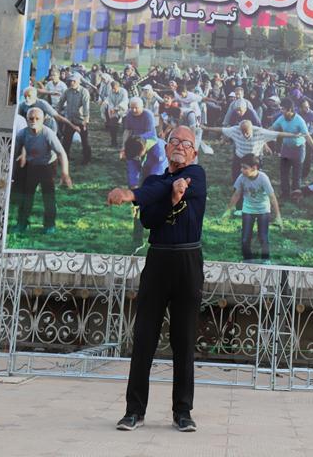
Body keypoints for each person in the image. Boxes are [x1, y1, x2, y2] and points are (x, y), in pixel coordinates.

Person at [107, 126, 206, 433]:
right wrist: (158, 198)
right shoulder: (153, 182)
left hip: (188, 261)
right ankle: (134, 411)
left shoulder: (197, 174)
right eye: (174, 141)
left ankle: (183, 412)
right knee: (144, 337)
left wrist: (141, 195)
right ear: (165, 148)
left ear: (194, 152)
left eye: (186, 143)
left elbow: (170, 189)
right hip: (158, 260)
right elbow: (149, 218)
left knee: (183, 339)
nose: (180, 146)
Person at [11, 107, 73, 234]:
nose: (33, 121)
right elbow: (13, 153)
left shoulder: (47, 133)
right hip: (32, 166)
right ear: (27, 119)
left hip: (47, 166)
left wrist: (65, 173)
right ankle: (22, 223)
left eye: (37, 119)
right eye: (31, 118)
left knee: (48, 196)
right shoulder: (22, 134)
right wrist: (12, 172)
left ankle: (49, 225)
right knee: (27, 195)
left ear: (43, 120)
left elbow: (61, 153)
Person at [224, 154, 281, 264]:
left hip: (263, 210)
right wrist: (228, 210)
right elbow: (236, 194)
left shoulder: (263, 178)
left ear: (254, 168)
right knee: (245, 238)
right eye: (241, 167)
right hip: (248, 210)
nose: (241, 170)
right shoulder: (241, 177)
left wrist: (278, 215)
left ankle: (266, 259)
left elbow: (272, 197)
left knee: (263, 237)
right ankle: (248, 260)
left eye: (245, 168)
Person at [205, 119, 301, 184]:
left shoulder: (260, 132)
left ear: (252, 129)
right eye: (243, 132)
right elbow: (220, 129)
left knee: (256, 178)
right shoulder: (234, 130)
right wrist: (207, 128)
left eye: (247, 132)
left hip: (254, 158)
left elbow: (278, 134)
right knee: (236, 177)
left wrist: (293, 135)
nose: (245, 135)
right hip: (240, 156)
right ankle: (238, 190)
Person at [123, 135, 168, 246]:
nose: (135, 159)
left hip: (161, 175)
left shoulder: (158, 152)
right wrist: (135, 198)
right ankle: (137, 240)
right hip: (147, 169)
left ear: (143, 150)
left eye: (137, 157)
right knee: (138, 208)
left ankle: (162, 238)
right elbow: (133, 170)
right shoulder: (134, 145)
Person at [271, 98, 313, 200]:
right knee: (284, 172)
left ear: (290, 110)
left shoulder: (299, 121)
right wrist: (261, 134)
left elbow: (307, 137)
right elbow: (272, 129)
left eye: (283, 109)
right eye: (281, 109)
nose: (281, 111)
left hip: (298, 149)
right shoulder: (281, 118)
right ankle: (285, 193)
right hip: (286, 148)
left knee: (296, 175)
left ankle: (295, 195)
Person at [57, 72, 92, 165]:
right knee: (66, 140)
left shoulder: (84, 92)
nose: (72, 83)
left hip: (81, 120)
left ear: (79, 82)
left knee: (85, 141)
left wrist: (85, 120)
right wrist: (58, 112)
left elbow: (86, 107)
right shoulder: (67, 91)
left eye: (74, 81)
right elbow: (61, 102)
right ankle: (65, 158)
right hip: (70, 120)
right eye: (70, 81)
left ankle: (87, 159)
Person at [103, 79, 129, 147]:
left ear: (118, 87)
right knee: (112, 126)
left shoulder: (124, 91)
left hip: (123, 111)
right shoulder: (111, 92)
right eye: (112, 88)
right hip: (114, 111)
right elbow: (110, 101)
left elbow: (124, 102)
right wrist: (112, 108)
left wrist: (116, 108)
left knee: (125, 128)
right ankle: (114, 142)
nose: (113, 90)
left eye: (115, 88)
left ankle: (126, 144)